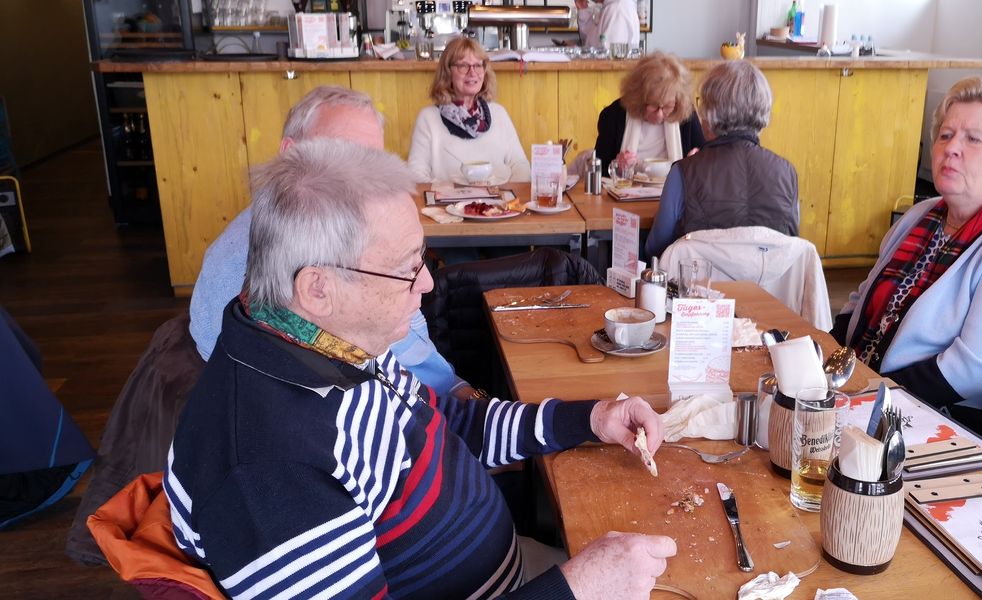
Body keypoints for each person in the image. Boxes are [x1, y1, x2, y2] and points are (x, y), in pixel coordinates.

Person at [165, 139, 675, 599]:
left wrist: (590, 418)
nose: (428, 284)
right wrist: (578, 588)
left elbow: (450, 424)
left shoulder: (327, 341)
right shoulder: (267, 470)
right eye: (408, 268)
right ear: (318, 288)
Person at [189, 86, 474, 402]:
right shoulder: (250, 266)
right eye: (343, 156)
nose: (363, 181)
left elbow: (416, 348)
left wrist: (458, 389)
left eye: (374, 163)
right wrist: (458, 400)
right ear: (290, 153)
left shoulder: (366, 238)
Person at [831, 75, 982, 438]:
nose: (952, 148)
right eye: (946, 135)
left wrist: (869, 397)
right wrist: (824, 363)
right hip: (864, 395)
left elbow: (971, 369)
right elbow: (860, 305)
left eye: (973, 139)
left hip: (950, 425)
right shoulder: (920, 216)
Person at [643, 61, 798, 259]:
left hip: (698, 278)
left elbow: (656, 248)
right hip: (767, 279)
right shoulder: (787, 172)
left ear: (710, 113)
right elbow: (790, 243)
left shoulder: (683, 172)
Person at [408, 36, 531, 184]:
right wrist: (450, 194)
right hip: (449, 198)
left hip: (500, 197)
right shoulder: (428, 118)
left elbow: (520, 165)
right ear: (447, 72)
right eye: (463, 66)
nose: (472, 72)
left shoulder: (498, 113)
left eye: (478, 65)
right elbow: (416, 176)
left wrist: (509, 194)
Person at [593, 51, 704, 175]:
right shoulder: (613, 116)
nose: (659, 114)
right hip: (628, 187)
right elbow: (597, 171)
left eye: (667, 107)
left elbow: (706, 161)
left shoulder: (685, 113)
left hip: (673, 187)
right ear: (639, 98)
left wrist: (696, 161)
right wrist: (617, 168)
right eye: (653, 106)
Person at [575, 0, 639, 50]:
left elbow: (610, 57)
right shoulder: (610, 7)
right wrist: (583, 9)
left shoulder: (618, 9)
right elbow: (592, 41)